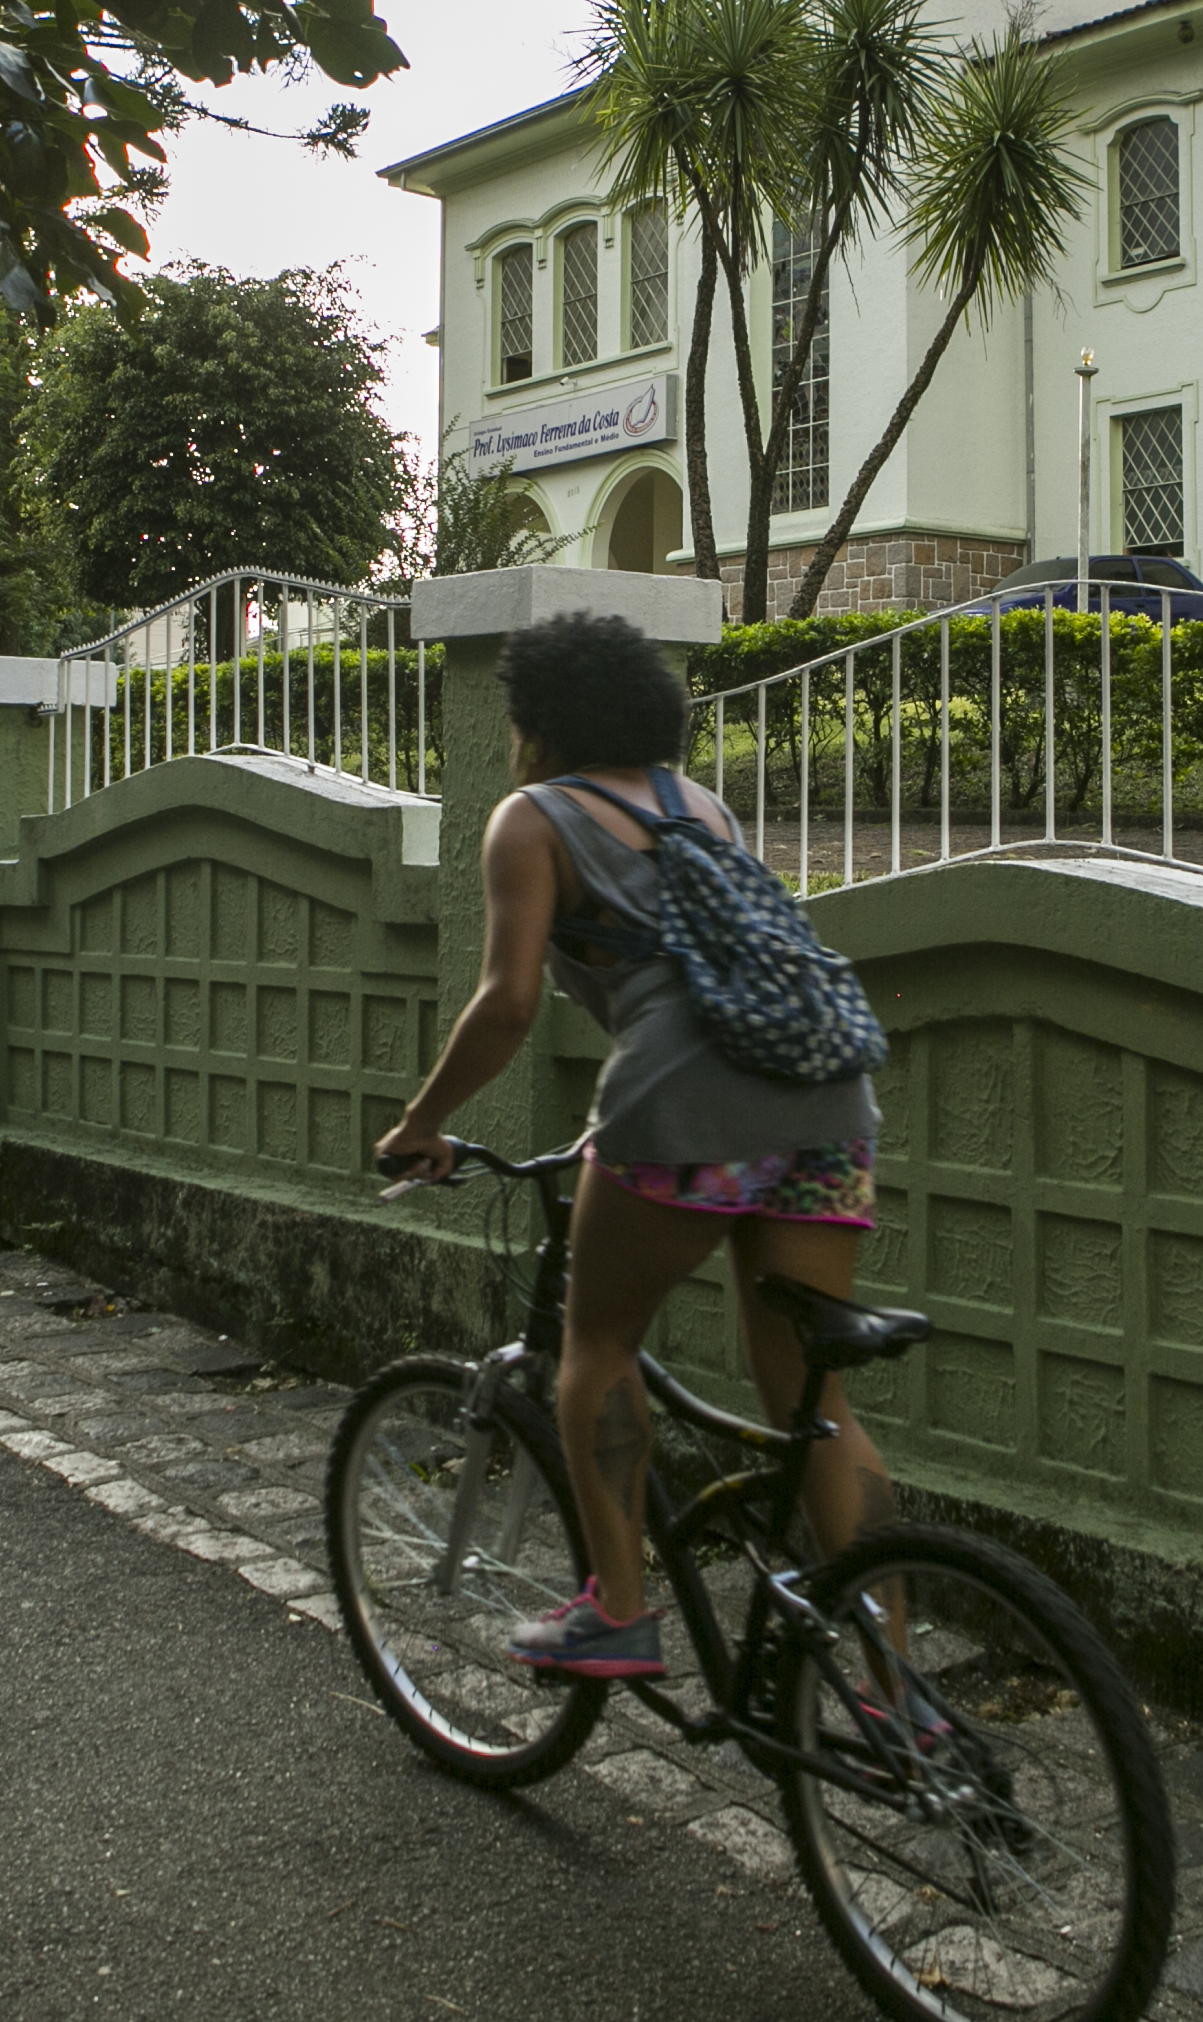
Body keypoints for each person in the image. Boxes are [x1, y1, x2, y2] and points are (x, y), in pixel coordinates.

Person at [369, 610, 892, 1681]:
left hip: (683, 1115)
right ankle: (900, 1686)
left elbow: (508, 1004)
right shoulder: (700, 805)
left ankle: (616, 1609)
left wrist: (421, 1121)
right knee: (813, 1400)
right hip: (830, 1108)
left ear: (540, 726)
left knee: (594, 1348)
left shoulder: (532, 819)